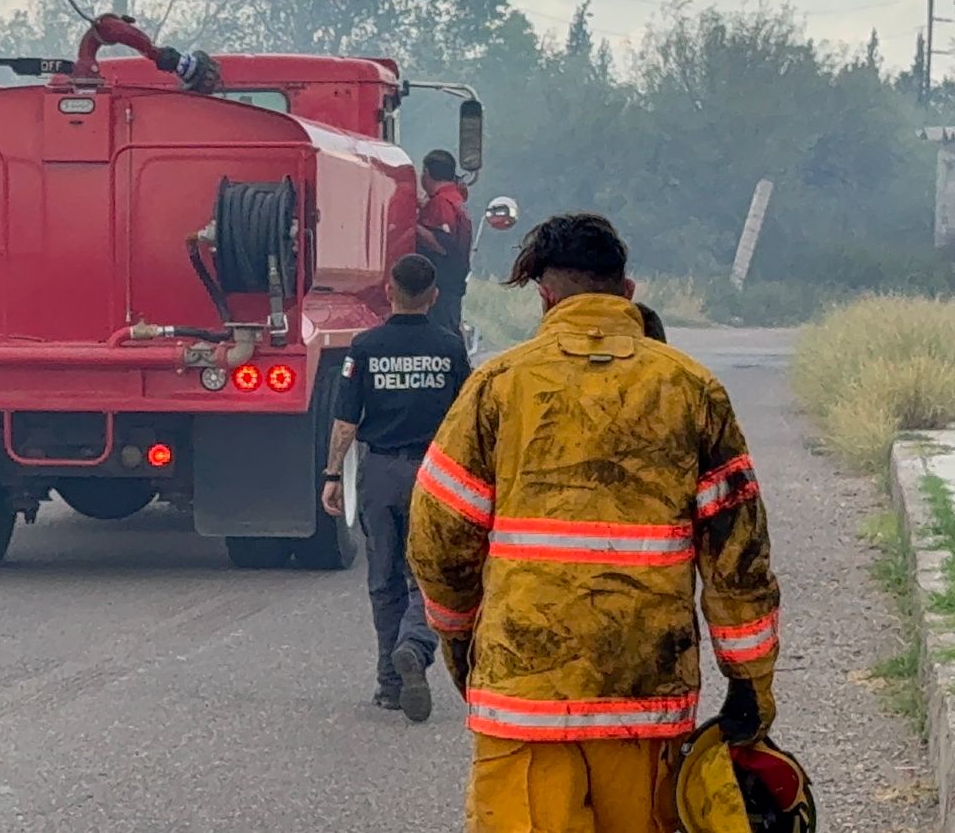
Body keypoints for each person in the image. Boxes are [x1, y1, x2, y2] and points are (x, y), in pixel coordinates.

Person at [405, 213, 780, 831]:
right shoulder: (691, 389)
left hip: (524, 698)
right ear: (627, 292)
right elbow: (740, 560)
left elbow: (439, 541)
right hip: (645, 699)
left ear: (545, 296)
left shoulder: (498, 386)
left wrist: (460, 643)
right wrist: (750, 688)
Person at [321, 254, 472, 723]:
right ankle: (415, 645)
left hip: (380, 474)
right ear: (434, 296)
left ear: (389, 291)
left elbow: (346, 421)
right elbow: (465, 421)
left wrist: (331, 475)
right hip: (432, 476)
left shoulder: (365, 347)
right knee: (427, 576)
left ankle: (390, 681)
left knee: (383, 580)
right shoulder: (450, 348)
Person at [415, 149, 474, 338]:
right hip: (453, 286)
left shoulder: (441, 203)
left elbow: (442, 244)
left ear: (427, 173)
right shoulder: (456, 200)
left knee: (439, 335)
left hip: (441, 287)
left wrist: (411, 224)